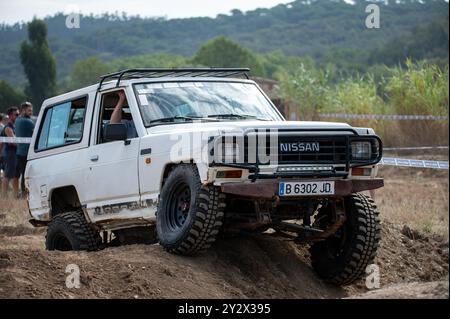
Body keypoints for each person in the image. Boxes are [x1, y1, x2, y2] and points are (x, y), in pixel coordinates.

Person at [15, 102, 34, 197]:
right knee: (28, 174)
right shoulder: (28, 122)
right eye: (29, 110)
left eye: (31, 110)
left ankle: (23, 193)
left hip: (19, 151)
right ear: (23, 110)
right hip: (27, 152)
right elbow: (36, 133)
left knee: (23, 174)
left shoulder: (17, 120)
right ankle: (26, 193)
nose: (31, 112)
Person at [1, 107, 20, 197]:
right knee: (7, 175)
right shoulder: (8, 127)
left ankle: (15, 195)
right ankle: (4, 195)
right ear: (10, 116)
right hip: (9, 154)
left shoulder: (14, 126)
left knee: (16, 176)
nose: (18, 116)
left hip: (15, 153)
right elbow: (14, 142)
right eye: (16, 114)